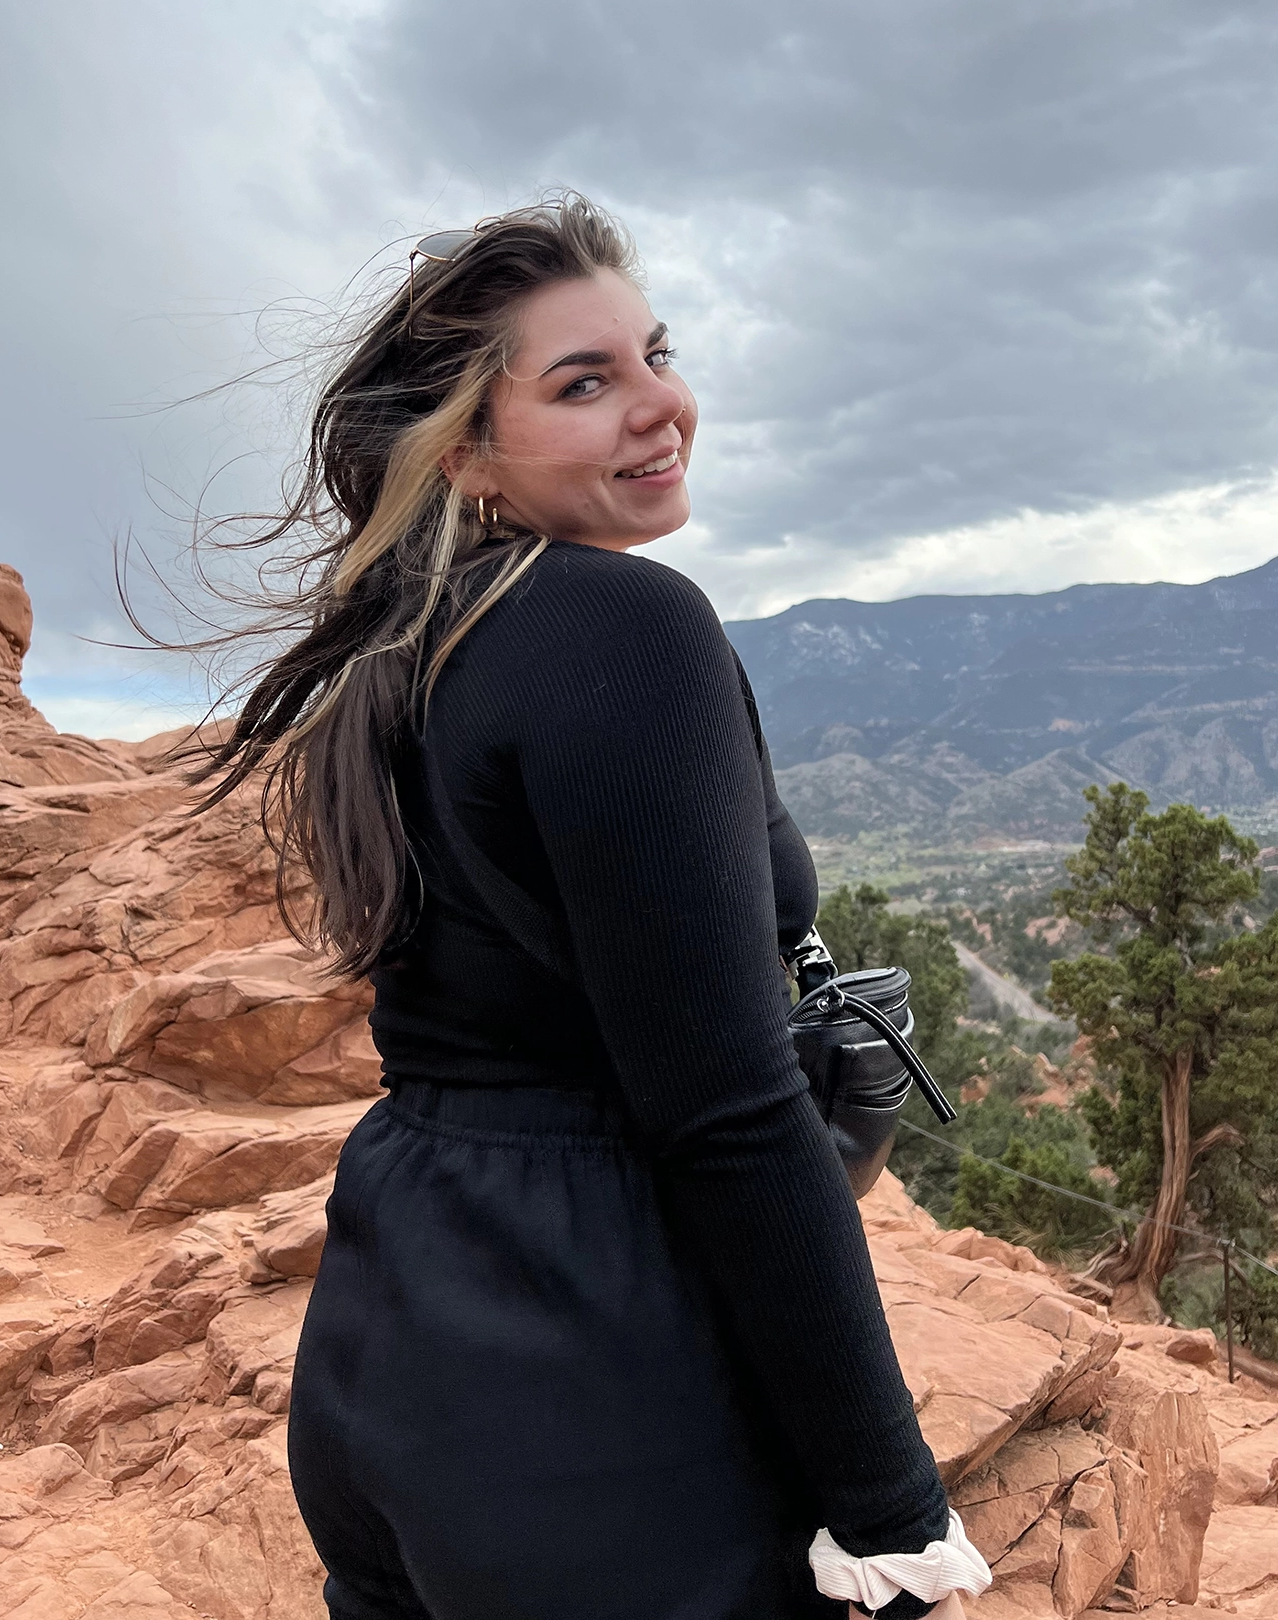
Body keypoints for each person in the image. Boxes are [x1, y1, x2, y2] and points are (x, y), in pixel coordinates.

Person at [203, 197, 988, 1620]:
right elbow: (728, 1112)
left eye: (655, 355)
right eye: (585, 382)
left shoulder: (395, 659)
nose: (661, 406)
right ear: (468, 453)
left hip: (394, 1326)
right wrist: (890, 1505)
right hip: (593, 1379)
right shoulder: (623, 627)